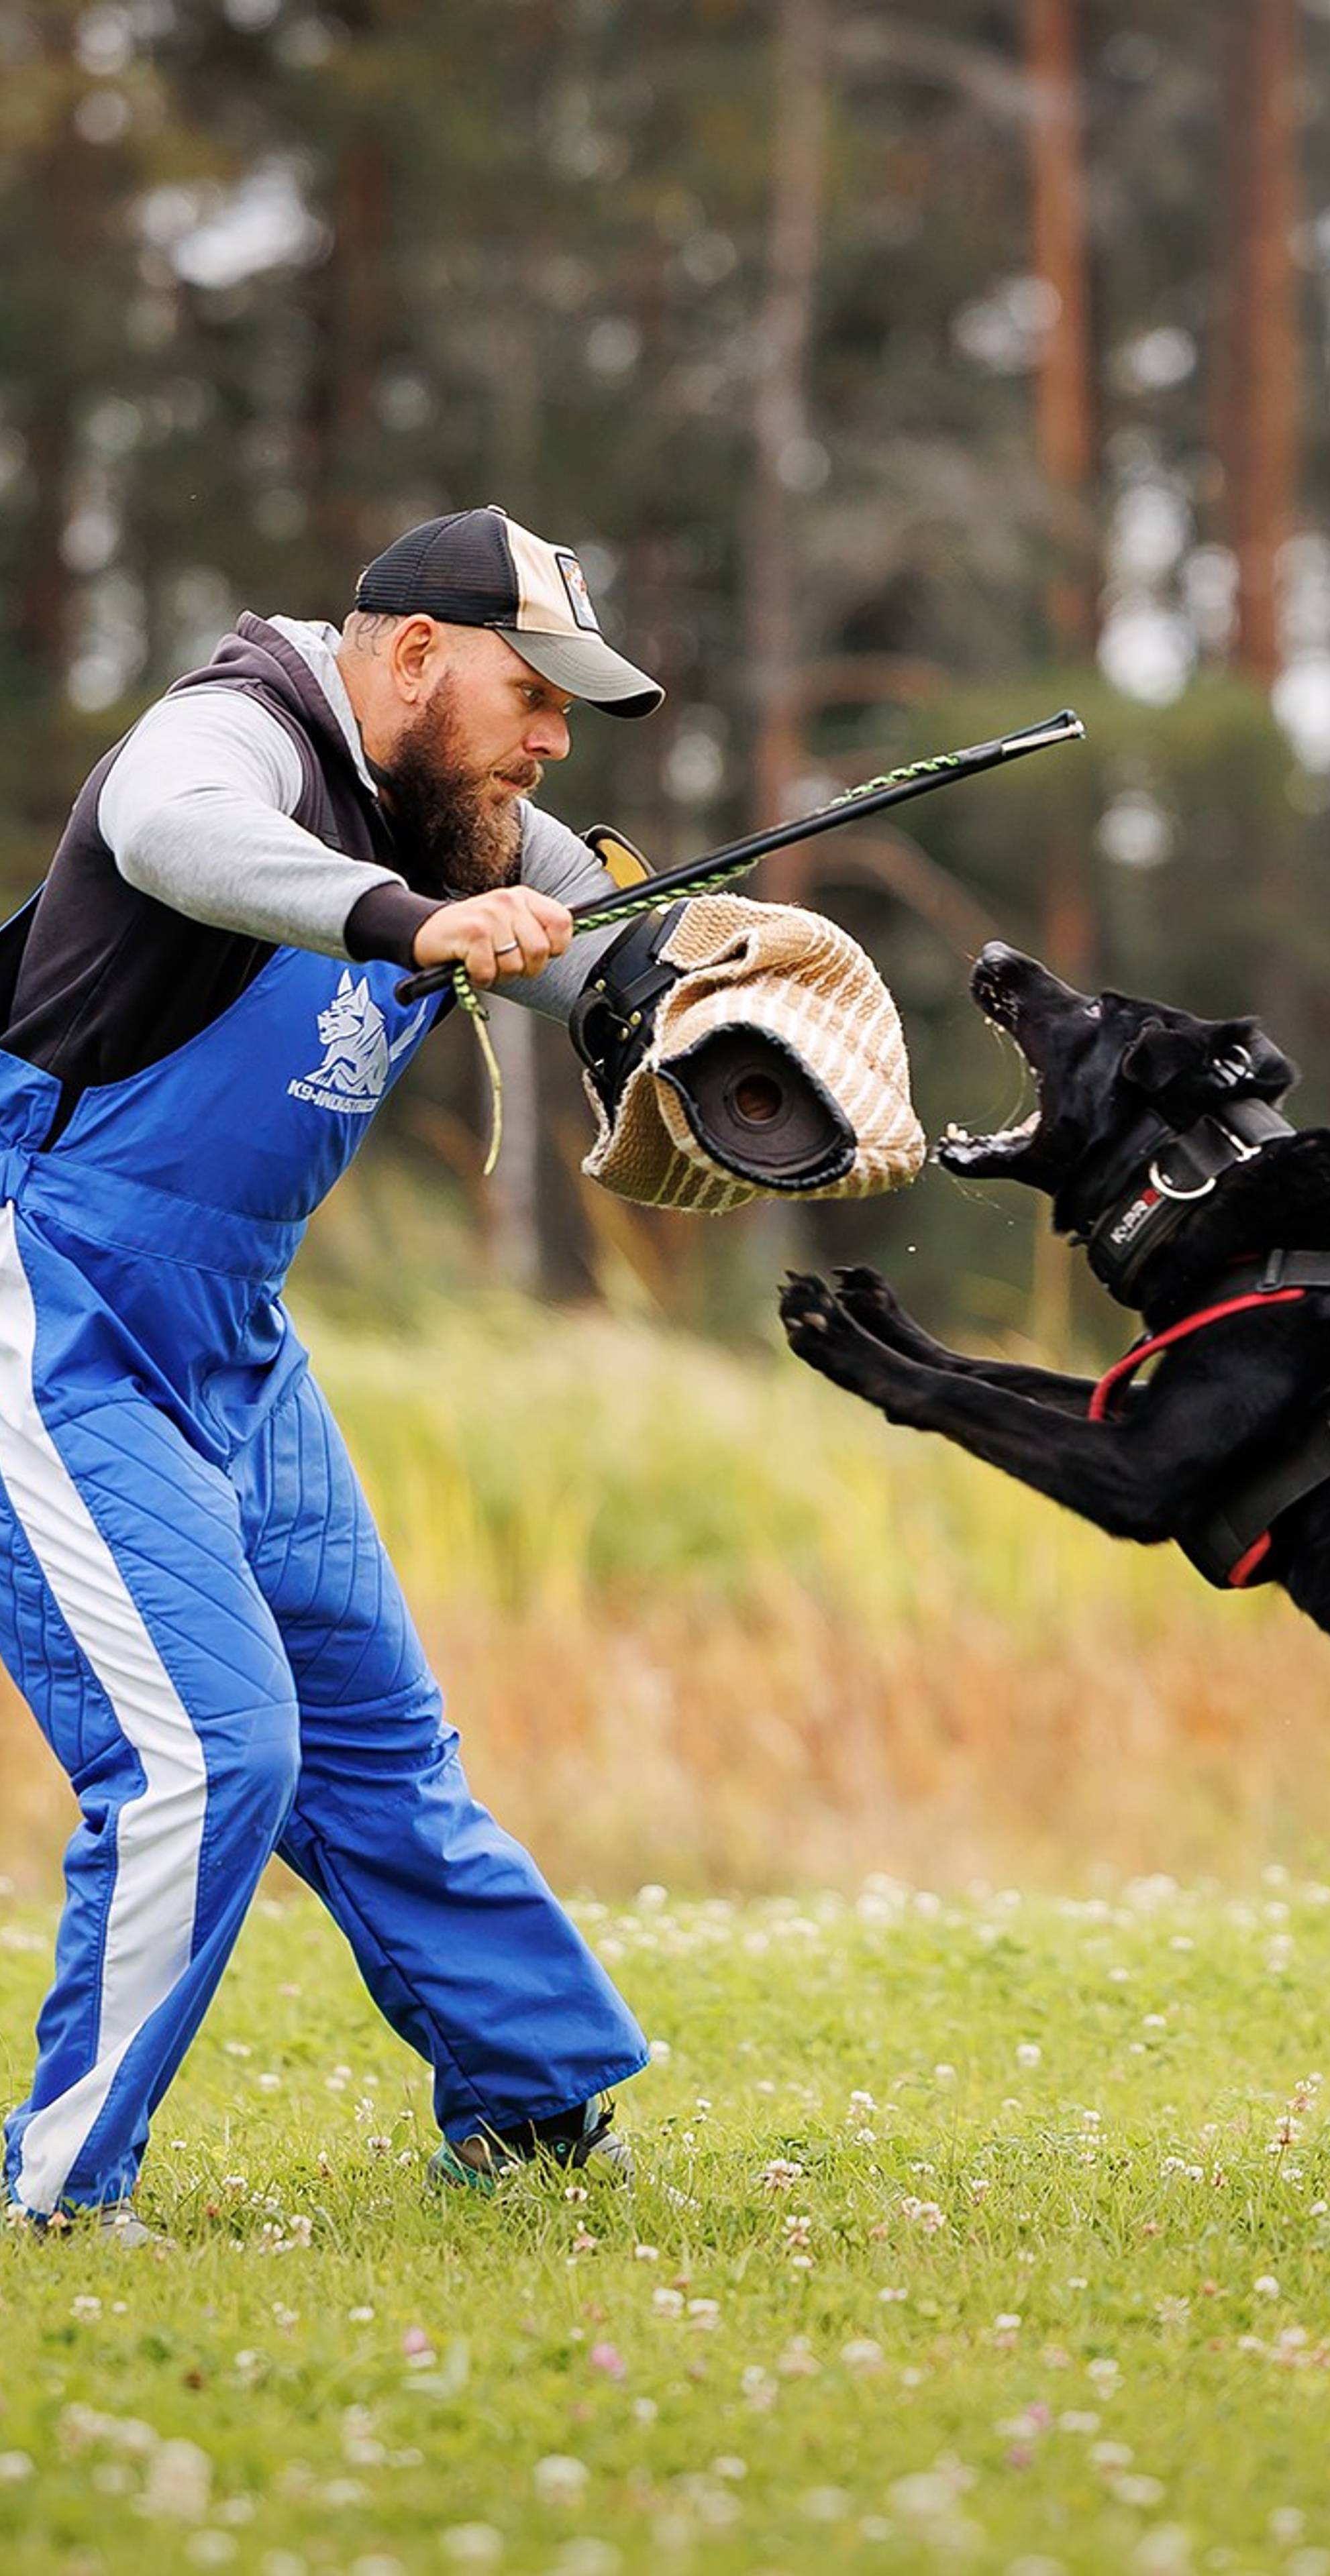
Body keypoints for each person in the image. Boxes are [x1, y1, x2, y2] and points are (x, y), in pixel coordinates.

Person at [0, 503, 672, 2241]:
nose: (545, 746)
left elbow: (609, 951)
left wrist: (709, 998)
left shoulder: (474, 825)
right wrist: (408, 925)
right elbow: (170, 833)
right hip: (40, 1291)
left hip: (227, 1326)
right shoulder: (240, 728)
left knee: (377, 1739)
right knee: (210, 1759)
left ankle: (526, 2113)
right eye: (532, 698)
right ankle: (64, 2202)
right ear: (418, 654)